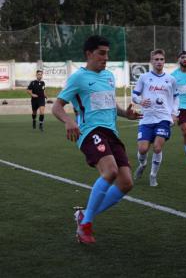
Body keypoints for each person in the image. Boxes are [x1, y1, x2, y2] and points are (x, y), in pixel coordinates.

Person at [52, 35, 142, 244]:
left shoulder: (109, 77)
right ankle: (85, 225)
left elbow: (110, 105)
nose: (106, 58)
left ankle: (84, 215)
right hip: (90, 132)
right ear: (89, 54)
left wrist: (125, 114)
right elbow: (56, 107)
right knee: (110, 171)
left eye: (107, 54)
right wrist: (67, 121)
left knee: (126, 183)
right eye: (101, 53)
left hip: (111, 133)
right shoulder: (78, 78)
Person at [132, 49, 179, 186]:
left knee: (157, 147)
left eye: (161, 59)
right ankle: (143, 164)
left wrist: (175, 113)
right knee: (143, 149)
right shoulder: (144, 77)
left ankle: (153, 175)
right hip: (146, 118)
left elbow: (176, 98)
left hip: (163, 118)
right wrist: (140, 101)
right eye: (156, 59)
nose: (159, 62)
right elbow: (134, 95)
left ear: (164, 61)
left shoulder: (171, 79)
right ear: (151, 61)